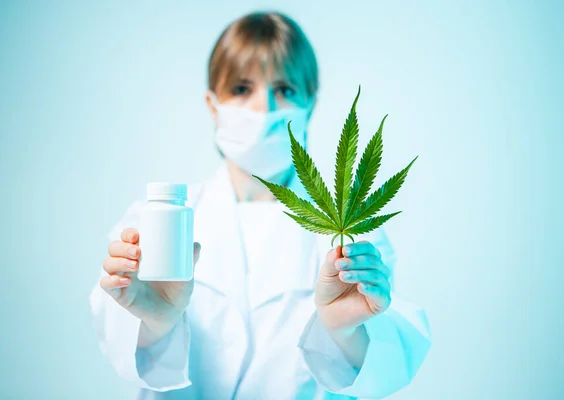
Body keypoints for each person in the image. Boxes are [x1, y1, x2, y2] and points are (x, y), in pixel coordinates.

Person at [90, 11, 432, 400]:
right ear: (212, 104)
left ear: (310, 105)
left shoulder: (352, 232)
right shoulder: (156, 220)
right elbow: (119, 339)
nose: (263, 107)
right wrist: (156, 322)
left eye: (284, 88)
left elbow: (386, 358)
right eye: (241, 88)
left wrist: (342, 331)